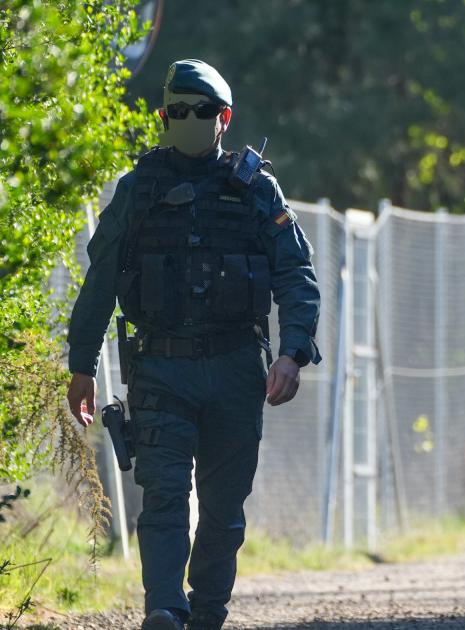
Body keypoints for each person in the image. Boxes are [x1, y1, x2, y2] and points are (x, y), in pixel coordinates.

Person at [65, 60, 321, 630]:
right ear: (163, 117)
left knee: (224, 511)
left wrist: (293, 350)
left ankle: (206, 613)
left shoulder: (257, 189)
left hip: (235, 370)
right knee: (163, 495)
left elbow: (295, 274)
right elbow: (101, 276)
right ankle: (164, 609)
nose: (188, 119)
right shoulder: (139, 190)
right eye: (176, 111)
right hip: (161, 369)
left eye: (200, 111)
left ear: (224, 118)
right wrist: (81, 364)